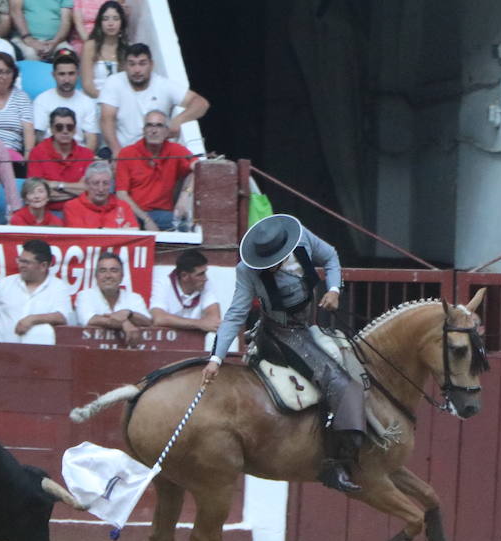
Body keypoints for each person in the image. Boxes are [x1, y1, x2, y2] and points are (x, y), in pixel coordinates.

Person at [201, 214, 361, 494]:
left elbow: (332, 257)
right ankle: (337, 462)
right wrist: (216, 358)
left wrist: (334, 289)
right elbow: (236, 314)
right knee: (340, 384)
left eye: (274, 261)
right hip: (281, 333)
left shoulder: (304, 239)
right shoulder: (247, 270)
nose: (270, 268)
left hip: (309, 324)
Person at [98, 43, 207, 152]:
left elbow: (201, 103)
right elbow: (106, 120)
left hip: (156, 152)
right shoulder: (113, 82)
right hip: (123, 150)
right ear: (125, 66)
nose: (137, 70)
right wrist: (118, 153)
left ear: (151, 64)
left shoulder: (163, 85)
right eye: (132, 64)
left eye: (142, 64)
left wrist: (178, 120)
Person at [0, 237, 73, 344]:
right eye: (20, 260)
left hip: (36, 357)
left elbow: (62, 317)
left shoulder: (58, 287)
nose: (20, 265)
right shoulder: (5, 284)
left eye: (26, 262)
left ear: (43, 266)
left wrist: (32, 319)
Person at [115, 109, 192, 230]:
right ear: (143, 130)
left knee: (186, 226)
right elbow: (121, 194)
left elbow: (198, 168)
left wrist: (184, 196)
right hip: (134, 213)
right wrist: (146, 220)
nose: (154, 130)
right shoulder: (127, 153)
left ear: (167, 131)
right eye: (149, 125)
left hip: (164, 214)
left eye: (159, 126)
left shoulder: (175, 150)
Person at [24, 104, 92, 210]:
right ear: (51, 129)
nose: (65, 131)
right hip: (46, 212)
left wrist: (57, 185)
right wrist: (76, 190)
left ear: (74, 130)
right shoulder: (37, 153)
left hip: (79, 212)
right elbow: (36, 193)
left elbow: (90, 190)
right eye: (59, 127)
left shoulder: (87, 154)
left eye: (69, 127)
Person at [72, 249, 149, 341]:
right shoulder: (84, 296)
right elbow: (89, 320)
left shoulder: (134, 298)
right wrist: (123, 322)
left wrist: (128, 314)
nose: (108, 275)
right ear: (96, 276)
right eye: (103, 271)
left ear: (122, 276)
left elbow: (147, 321)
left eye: (114, 270)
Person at [31, 47, 95, 146]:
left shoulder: (87, 102)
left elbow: (91, 139)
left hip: (79, 156)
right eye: (62, 74)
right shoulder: (42, 100)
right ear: (53, 75)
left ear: (78, 74)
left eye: (71, 74)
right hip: (50, 155)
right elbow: (38, 137)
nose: (66, 80)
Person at [149, 248, 220, 333]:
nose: (205, 278)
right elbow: (159, 318)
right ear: (184, 276)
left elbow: (215, 320)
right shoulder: (162, 283)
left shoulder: (204, 283)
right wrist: (199, 324)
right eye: (200, 274)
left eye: (205, 272)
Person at [60, 156, 134, 227]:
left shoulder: (123, 206)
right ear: (87, 184)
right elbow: (80, 237)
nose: (101, 189)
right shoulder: (72, 207)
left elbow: (133, 233)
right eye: (96, 183)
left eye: (105, 183)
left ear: (111, 185)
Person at [78, 0, 125, 99]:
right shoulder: (90, 45)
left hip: (118, 101)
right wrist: (106, 100)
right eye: (106, 19)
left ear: (122, 22)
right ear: (100, 23)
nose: (110, 23)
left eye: (115, 19)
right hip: (93, 98)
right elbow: (87, 85)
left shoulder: (126, 49)